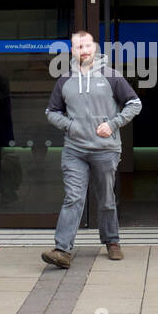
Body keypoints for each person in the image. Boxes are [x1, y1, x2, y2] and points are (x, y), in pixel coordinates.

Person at [41, 30, 142, 268]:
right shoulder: (65, 80)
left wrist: (113, 124)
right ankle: (62, 250)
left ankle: (112, 241)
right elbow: (51, 112)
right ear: (72, 51)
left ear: (94, 48)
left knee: (106, 198)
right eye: (78, 47)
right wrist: (71, 126)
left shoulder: (111, 76)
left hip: (105, 150)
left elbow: (135, 103)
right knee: (73, 197)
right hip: (75, 150)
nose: (83, 51)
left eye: (86, 46)